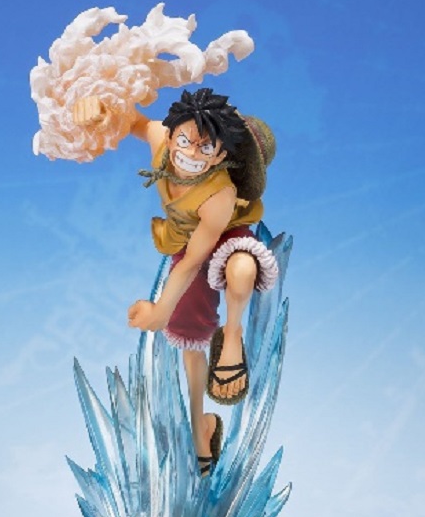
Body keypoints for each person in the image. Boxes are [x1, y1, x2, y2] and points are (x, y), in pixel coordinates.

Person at [73, 88, 278, 475]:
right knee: (189, 336)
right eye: (185, 140)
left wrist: (159, 310)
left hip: (223, 234)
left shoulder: (220, 195)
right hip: (186, 240)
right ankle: (200, 426)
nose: (191, 152)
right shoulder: (162, 145)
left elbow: (196, 260)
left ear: (221, 156)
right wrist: (100, 110)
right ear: (171, 137)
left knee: (241, 271)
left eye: (206, 147)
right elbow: (133, 120)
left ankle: (232, 338)